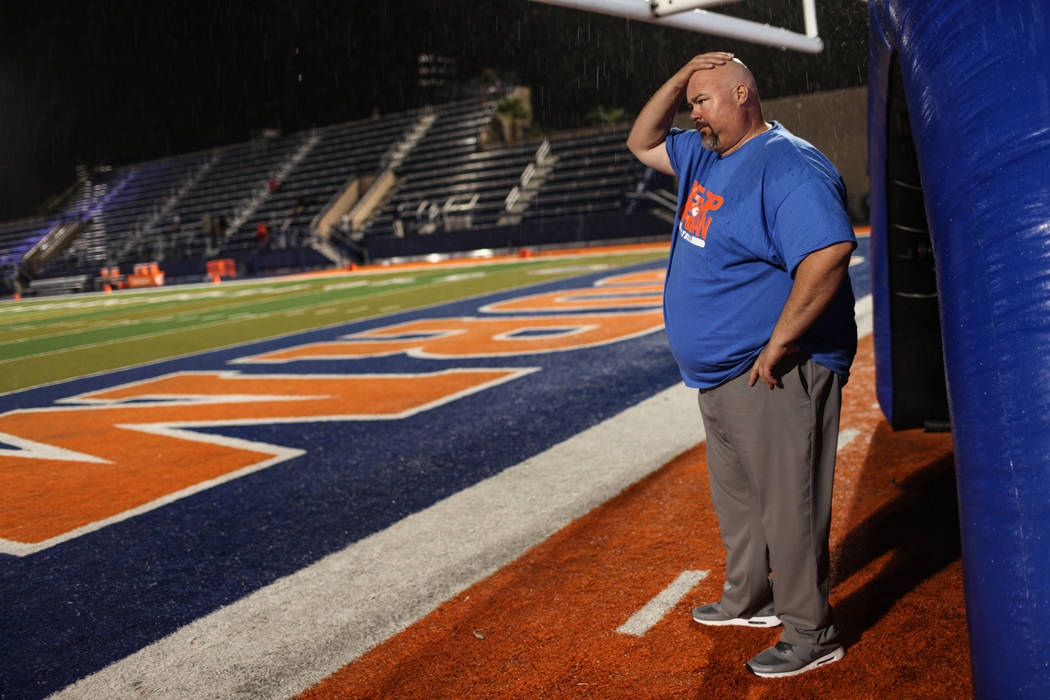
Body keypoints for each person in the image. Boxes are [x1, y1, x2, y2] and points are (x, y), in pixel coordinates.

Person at [627, 53, 857, 678]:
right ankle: (750, 597)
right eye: (689, 102)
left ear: (743, 94)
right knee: (740, 501)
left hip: (777, 369)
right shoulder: (706, 153)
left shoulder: (788, 164)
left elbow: (831, 253)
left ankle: (811, 632)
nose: (692, 113)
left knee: (790, 504)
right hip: (720, 372)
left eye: (702, 101)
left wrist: (780, 342)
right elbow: (640, 140)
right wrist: (677, 78)